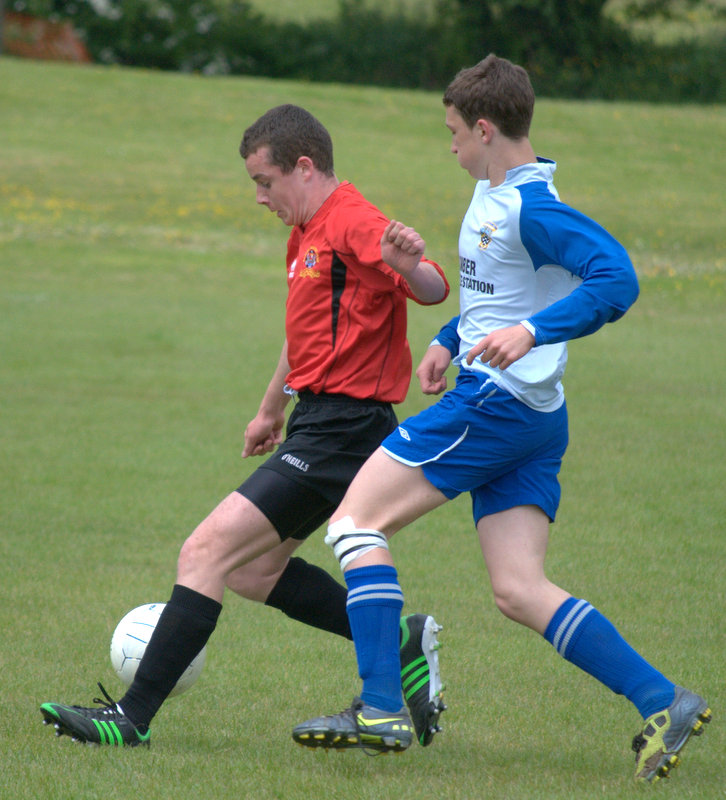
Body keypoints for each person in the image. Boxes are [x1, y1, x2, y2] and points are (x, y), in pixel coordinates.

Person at [292, 56, 712, 781]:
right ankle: (661, 699)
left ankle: (381, 706)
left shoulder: (533, 207)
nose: (449, 145)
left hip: (495, 405)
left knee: (355, 524)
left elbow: (618, 277)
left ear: (485, 128)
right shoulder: (494, 195)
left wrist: (536, 333)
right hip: (533, 418)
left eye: (453, 132)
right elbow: (497, 294)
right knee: (518, 588)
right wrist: (448, 338)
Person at [39, 104, 450, 749]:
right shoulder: (307, 229)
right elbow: (304, 332)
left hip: (345, 428)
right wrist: (270, 409)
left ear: (303, 167)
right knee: (253, 573)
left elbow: (428, 288)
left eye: (265, 181)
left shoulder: (351, 219)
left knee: (205, 552)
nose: (259, 196)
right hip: (319, 420)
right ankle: (398, 637)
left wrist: (408, 262)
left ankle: (131, 719)